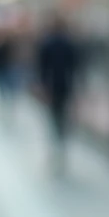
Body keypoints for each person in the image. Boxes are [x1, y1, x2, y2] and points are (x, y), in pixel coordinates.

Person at [36, 14, 79, 172]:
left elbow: (42, 68)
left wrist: (42, 86)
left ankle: (56, 142)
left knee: (53, 116)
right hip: (64, 85)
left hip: (52, 85)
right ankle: (61, 142)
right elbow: (74, 67)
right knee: (61, 115)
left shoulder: (47, 44)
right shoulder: (68, 44)